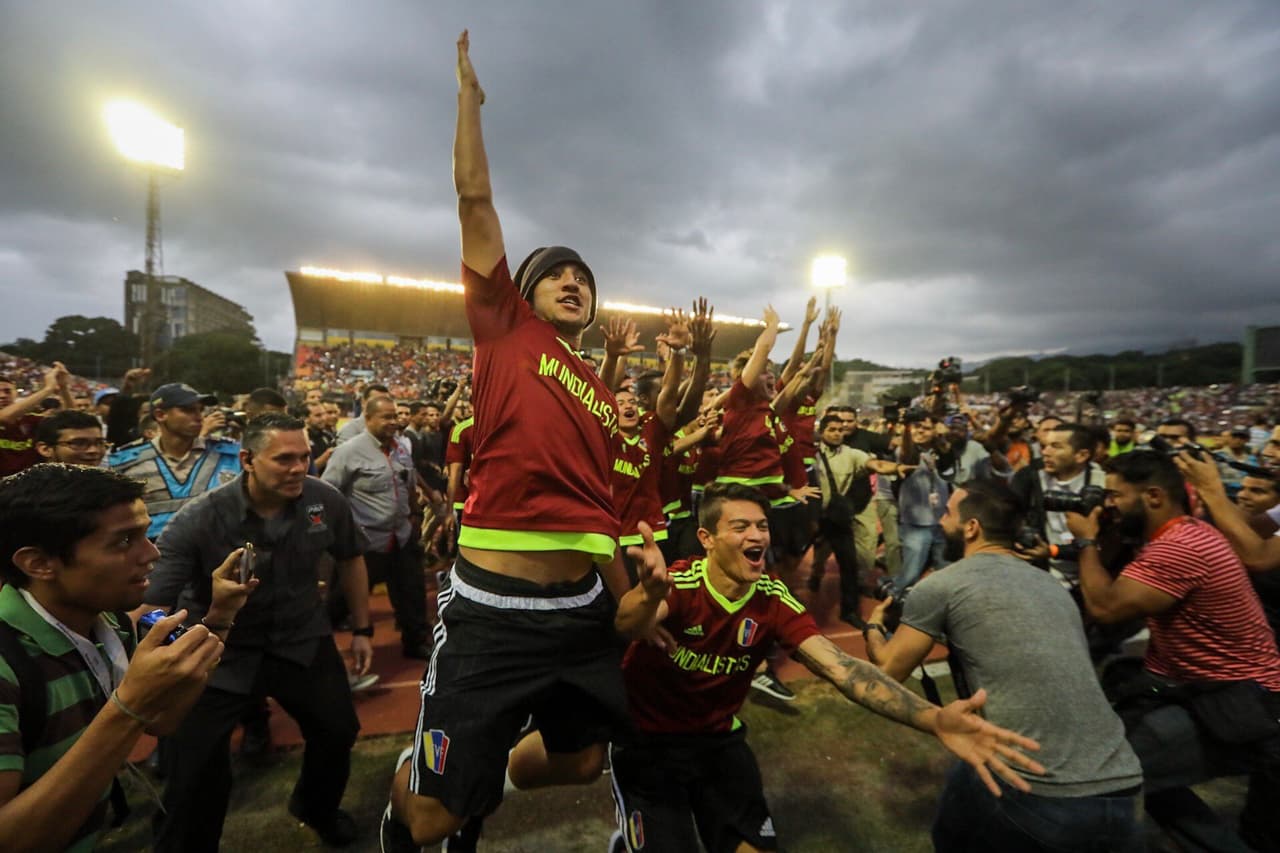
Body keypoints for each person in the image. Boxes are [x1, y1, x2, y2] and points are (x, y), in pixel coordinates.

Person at [381, 31, 630, 851]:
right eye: (556, 271)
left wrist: (629, 584)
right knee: (431, 818)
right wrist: (468, 103)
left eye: (584, 277)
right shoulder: (503, 330)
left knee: (585, 757)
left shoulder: (597, 388)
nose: (573, 281)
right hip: (493, 604)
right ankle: (434, 791)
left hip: (580, 608)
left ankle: (482, 771)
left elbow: (601, 504)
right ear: (520, 291)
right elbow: (474, 201)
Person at [608, 483, 1045, 853]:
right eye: (739, 526)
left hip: (718, 742)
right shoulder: (682, 583)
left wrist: (932, 718)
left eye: (761, 525)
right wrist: (648, 595)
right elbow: (627, 625)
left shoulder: (774, 600)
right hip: (648, 743)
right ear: (707, 538)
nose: (756, 535)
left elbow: (842, 669)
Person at [864, 480, 1143, 852]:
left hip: (1039, 789)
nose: (942, 521)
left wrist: (874, 625)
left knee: (952, 835)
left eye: (947, 513)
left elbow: (887, 673)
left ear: (972, 527)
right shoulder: (1052, 585)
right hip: (1122, 782)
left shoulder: (944, 584)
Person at [146, 413, 372, 850]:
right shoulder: (199, 519)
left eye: (304, 456)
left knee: (338, 731)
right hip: (218, 649)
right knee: (193, 771)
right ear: (248, 459)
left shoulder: (324, 500)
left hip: (302, 641)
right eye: (284, 458)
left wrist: (362, 628)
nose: (298, 467)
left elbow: (351, 556)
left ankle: (315, 807)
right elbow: (153, 601)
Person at [0, 464, 239, 852]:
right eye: (124, 541)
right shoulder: (6, 661)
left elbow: (160, 721)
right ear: (39, 563)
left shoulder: (107, 621)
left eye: (145, 534)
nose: (152, 553)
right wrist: (127, 709)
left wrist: (220, 619)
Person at [1069, 451, 1280, 850]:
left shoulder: (1179, 546)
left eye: (1114, 495)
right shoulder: (1180, 533)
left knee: (1112, 770)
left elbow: (1106, 607)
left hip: (1241, 700)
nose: (1105, 503)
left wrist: (1085, 541)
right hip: (1207, 691)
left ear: (1152, 497)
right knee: (1135, 769)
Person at [323, 396, 430, 660]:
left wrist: (415, 513)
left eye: (394, 416)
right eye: (386, 417)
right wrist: (341, 533)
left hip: (401, 535)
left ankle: (415, 641)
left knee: (412, 592)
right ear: (367, 419)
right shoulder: (348, 451)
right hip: (366, 541)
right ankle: (317, 645)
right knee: (343, 599)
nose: (393, 422)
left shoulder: (401, 448)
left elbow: (409, 482)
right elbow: (328, 492)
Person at [107, 383, 242, 540]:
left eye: (200, 410)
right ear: (160, 415)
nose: (199, 417)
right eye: (188, 410)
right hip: (152, 554)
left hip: (218, 550)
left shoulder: (232, 455)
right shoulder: (127, 462)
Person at [812, 414, 907, 627]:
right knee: (791, 564)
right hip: (812, 518)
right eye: (832, 430)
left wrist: (896, 468)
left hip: (836, 519)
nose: (838, 433)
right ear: (822, 431)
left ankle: (849, 611)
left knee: (849, 565)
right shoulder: (810, 454)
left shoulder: (853, 454)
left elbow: (877, 465)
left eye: (840, 430)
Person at [1010, 422, 1106, 590]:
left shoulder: (1102, 482)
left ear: (1081, 455)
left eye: (1055, 446)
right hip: (1041, 576)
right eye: (1044, 446)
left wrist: (1053, 551)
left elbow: (1104, 543)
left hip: (1090, 577)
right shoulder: (1029, 477)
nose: (1045, 452)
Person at [0, 363, 72, 477]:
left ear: (16, 394)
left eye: (7, 391)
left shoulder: (33, 420)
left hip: (32, 488)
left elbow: (73, 420)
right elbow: (4, 417)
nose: (2, 395)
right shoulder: (5, 417)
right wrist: (48, 389)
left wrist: (64, 388)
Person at [34, 409, 107, 467]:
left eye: (99, 443)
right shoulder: (31, 485)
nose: (93, 450)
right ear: (45, 449)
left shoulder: (111, 482)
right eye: (79, 443)